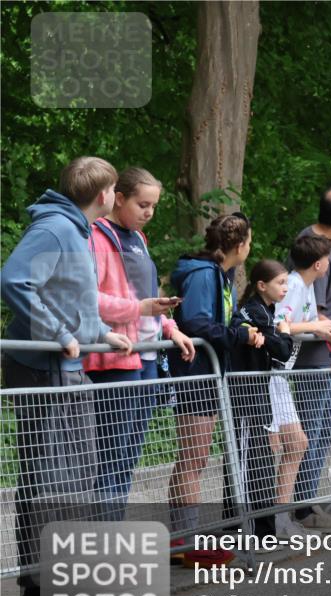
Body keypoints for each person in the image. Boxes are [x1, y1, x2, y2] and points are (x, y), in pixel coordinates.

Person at [1, 157, 133, 596]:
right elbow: (14, 280)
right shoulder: (55, 228)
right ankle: (41, 581)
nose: (116, 196)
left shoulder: (77, 229)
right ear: (104, 195)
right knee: (48, 472)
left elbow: (68, 295)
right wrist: (59, 334)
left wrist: (100, 333)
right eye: (116, 190)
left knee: (75, 469)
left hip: (66, 368)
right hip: (42, 367)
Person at [84, 167, 196, 520]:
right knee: (113, 456)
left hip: (148, 358)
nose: (149, 212)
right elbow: (90, 300)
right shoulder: (95, 237)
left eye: (154, 206)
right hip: (116, 358)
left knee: (129, 454)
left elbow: (148, 296)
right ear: (119, 198)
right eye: (142, 204)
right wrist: (140, 309)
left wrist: (169, 326)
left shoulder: (139, 239)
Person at [167, 212, 263, 567]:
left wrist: (245, 327)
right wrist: (239, 335)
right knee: (193, 458)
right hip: (196, 371)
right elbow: (196, 322)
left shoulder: (220, 275)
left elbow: (225, 317)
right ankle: (186, 542)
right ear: (239, 245)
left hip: (209, 372)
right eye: (249, 243)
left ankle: (181, 538)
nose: (250, 249)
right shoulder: (205, 274)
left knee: (195, 457)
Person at [288, 185, 331, 531]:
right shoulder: (314, 251)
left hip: (323, 354)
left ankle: (307, 501)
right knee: (312, 429)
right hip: (311, 358)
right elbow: (312, 313)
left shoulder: (323, 245)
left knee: (326, 426)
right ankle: (304, 508)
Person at [274, 234, 331, 533]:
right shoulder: (292, 284)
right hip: (275, 372)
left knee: (326, 426)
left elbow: (303, 322)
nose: (330, 265)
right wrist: (316, 326)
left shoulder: (303, 286)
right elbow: (281, 323)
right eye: (328, 260)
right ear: (319, 264)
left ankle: (295, 508)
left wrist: (324, 330)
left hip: (286, 369)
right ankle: (294, 509)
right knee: (299, 439)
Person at [229, 260, 295, 541]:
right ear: (261, 285)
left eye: (286, 282)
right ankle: (244, 530)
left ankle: (261, 530)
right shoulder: (253, 313)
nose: (285, 288)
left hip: (260, 393)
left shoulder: (265, 311)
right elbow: (282, 350)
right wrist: (285, 332)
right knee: (246, 461)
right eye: (281, 283)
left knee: (261, 458)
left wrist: (276, 335)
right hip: (246, 394)